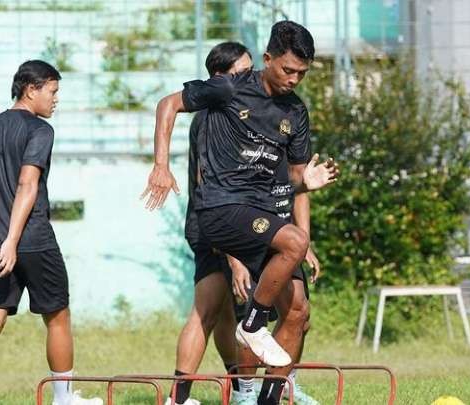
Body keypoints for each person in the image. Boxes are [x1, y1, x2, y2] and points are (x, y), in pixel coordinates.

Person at [143, 21, 337, 405]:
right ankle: (246, 341)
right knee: (215, 306)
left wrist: (307, 179)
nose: (295, 79)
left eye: (302, 73)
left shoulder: (296, 112)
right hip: (222, 208)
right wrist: (161, 166)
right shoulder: (230, 87)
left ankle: (270, 395)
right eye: (287, 70)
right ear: (267, 59)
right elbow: (168, 104)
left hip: (265, 215)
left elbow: (294, 175)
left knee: (298, 310)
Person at [0, 60, 101, 405]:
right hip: (31, 240)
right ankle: (63, 398)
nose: (56, 100)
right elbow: (28, 183)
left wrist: (1, 229)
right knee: (58, 316)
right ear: (32, 89)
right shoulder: (41, 130)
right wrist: (13, 240)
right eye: (53, 92)